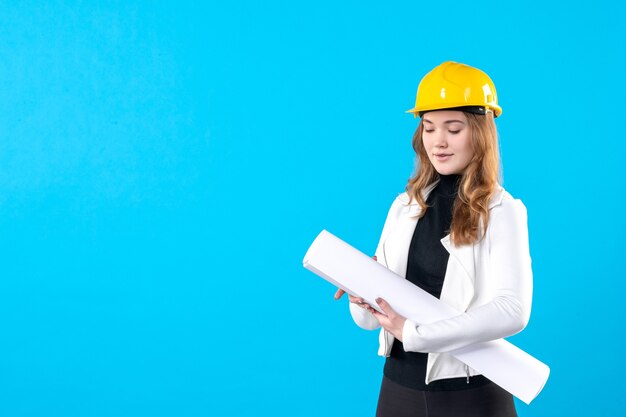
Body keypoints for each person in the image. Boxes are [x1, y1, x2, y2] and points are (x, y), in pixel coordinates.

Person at [334, 61, 532, 417]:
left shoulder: (502, 211)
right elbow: (369, 323)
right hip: (397, 390)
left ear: (481, 132)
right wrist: (360, 294)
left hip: (471, 395)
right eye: (428, 128)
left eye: (453, 129)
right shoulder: (405, 205)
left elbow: (513, 311)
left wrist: (415, 333)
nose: (438, 142)